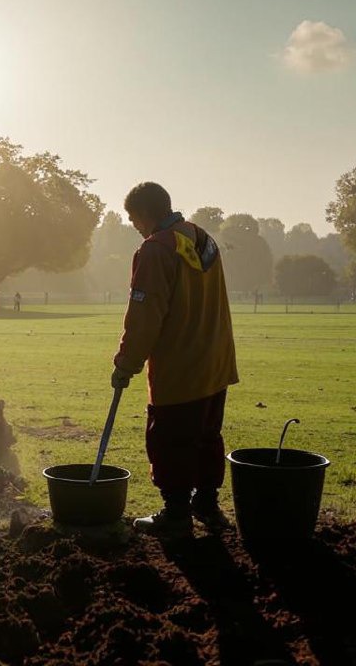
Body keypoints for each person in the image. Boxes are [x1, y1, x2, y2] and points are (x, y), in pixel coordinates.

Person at [112, 182, 238, 539]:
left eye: (133, 218)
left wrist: (126, 363)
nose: (134, 226)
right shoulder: (202, 239)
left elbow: (145, 314)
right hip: (215, 360)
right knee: (206, 437)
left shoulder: (155, 250)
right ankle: (207, 504)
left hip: (181, 364)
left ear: (145, 213)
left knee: (170, 439)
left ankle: (176, 514)